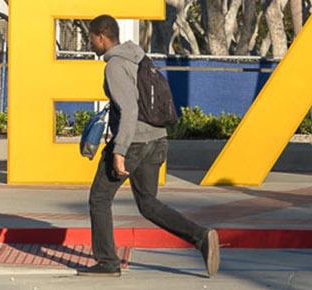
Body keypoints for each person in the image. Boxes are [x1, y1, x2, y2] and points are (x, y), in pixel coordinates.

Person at [80, 15, 220, 277]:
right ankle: (201, 237)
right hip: (157, 139)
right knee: (148, 204)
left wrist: (119, 151)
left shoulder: (115, 65)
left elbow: (130, 109)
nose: (91, 44)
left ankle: (108, 262)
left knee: (99, 199)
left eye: (90, 38)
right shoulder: (139, 57)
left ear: (101, 37)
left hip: (134, 143)